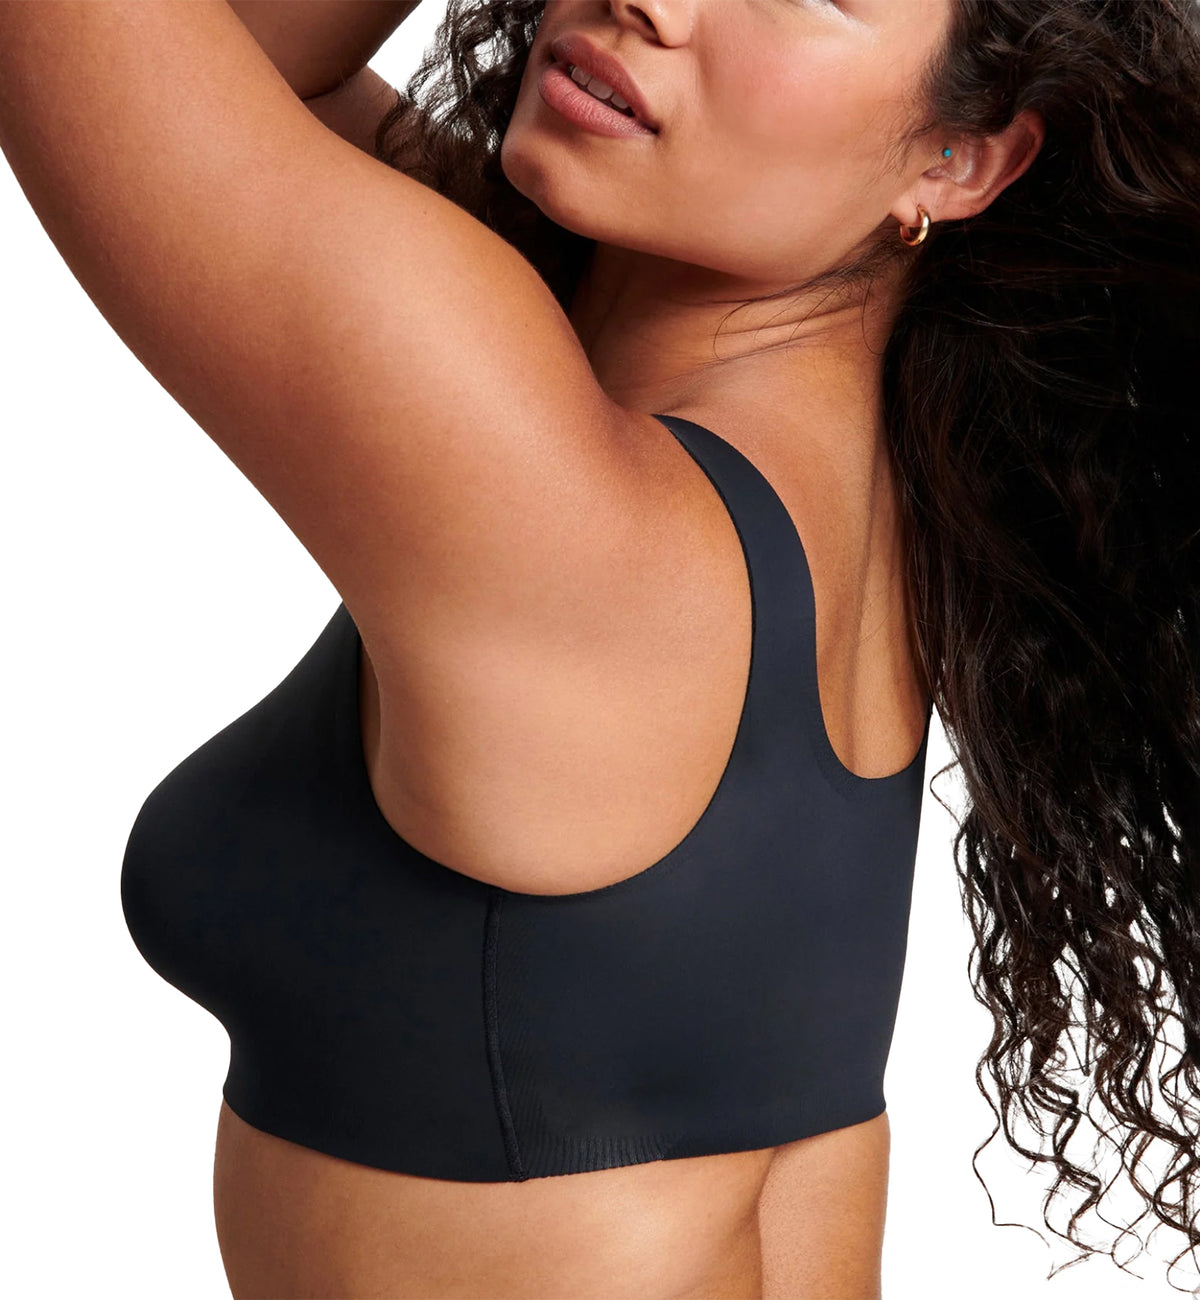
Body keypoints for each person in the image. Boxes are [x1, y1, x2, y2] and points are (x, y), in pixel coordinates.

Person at [2, 0, 1199, 1296]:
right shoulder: (844, 483)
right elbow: (264, 73)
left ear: (959, 160)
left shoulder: (592, 530)